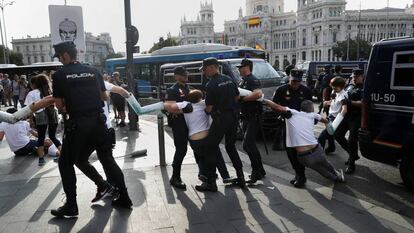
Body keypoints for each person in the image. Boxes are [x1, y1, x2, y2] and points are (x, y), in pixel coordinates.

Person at [50, 41, 132, 218]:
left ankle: (71, 206)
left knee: (65, 163)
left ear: (64, 55)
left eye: (60, 57)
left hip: (78, 125)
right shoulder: (94, 71)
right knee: (104, 160)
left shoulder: (59, 75)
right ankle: (123, 196)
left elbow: (59, 105)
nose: (60, 60)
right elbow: (104, 97)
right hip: (99, 124)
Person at [264, 99, 345, 183]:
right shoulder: (313, 115)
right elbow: (327, 122)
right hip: (317, 150)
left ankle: (335, 178)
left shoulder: (293, 113)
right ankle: (338, 177)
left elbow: (276, 106)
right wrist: (330, 124)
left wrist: (262, 99)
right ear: (312, 108)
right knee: (326, 164)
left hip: (304, 156)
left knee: (320, 170)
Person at [165, 89, 235, 184]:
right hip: (206, 137)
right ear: (200, 97)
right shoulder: (204, 103)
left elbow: (170, 106)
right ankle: (225, 176)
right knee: (217, 154)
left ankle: (203, 174)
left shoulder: (185, 104)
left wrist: (179, 111)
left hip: (193, 139)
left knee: (200, 155)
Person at [199, 57, 245, 192]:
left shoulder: (211, 84)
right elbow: (237, 97)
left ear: (213, 67)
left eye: (205, 69)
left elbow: (208, 108)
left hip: (220, 120)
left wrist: (205, 111)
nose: (204, 72)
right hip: (234, 118)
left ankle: (211, 183)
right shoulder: (230, 80)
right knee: (231, 147)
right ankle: (241, 178)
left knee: (210, 147)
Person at [272, 69, 312, 188]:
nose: (296, 84)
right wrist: (282, 113)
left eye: (298, 82)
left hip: (300, 125)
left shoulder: (306, 91)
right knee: (289, 150)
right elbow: (274, 105)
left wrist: (311, 120)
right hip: (286, 123)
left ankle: (301, 175)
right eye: (293, 81)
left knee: (299, 150)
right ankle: (298, 173)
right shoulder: (281, 90)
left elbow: (310, 108)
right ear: (289, 78)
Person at [237, 58, 266, 184]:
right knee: (247, 144)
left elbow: (258, 94)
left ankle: (256, 172)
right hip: (247, 117)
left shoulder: (252, 79)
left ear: (246, 68)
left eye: (240, 67)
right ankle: (260, 170)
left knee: (248, 144)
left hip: (254, 116)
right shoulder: (243, 80)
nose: (239, 69)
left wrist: (241, 100)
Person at [164, 66, 192, 190]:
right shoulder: (172, 90)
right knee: (181, 150)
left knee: (198, 148)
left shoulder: (187, 87)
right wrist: (183, 110)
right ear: (176, 76)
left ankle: (205, 174)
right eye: (182, 74)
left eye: (186, 73)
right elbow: (169, 107)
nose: (186, 76)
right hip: (179, 124)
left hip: (191, 123)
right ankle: (175, 177)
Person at [25, 74, 61, 166]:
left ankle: (41, 159)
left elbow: (29, 108)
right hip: (53, 114)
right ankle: (62, 155)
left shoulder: (32, 93)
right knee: (53, 136)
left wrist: (31, 120)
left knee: (41, 137)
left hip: (40, 115)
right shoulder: (51, 91)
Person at [335, 69, 364, 174]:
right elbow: (341, 94)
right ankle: (353, 155)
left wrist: (350, 102)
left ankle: (352, 164)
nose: (354, 78)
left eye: (357, 77)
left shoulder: (364, 88)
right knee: (337, 135)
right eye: (353, 77)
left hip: (356, 117)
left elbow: (363, 103)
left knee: (352, 140)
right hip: (346, 115)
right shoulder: (349, 86)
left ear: (362, 76)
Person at [317, 77, 348, 154]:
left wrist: (336, 123)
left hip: (335, 119)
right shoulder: (336, 91)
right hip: (330, 116)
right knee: (331, 136)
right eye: (332, 85)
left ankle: (319, 156)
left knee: (322, 137)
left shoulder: (343, 95)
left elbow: (344, 109)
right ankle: (331, 148)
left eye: (335, 86)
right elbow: (335, 102)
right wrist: (327, 102)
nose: (333, 87)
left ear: (340, 86)